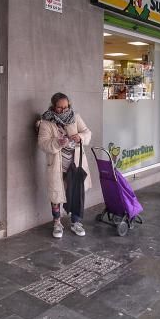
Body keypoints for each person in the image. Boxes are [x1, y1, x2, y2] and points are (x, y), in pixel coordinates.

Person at [37, 92, 92, 239]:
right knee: (56, 195)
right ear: (53, 107)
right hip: (57, 165)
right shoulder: (46, 122)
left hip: (76, 164)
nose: (64, 110)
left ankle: (76, 222)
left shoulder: (75, 117)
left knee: (76, 193)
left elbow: (87, 132)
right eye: (60, 108)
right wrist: (57, 142)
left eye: (66, 107)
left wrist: (79, 137)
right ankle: (57, 223)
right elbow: (42, 144)